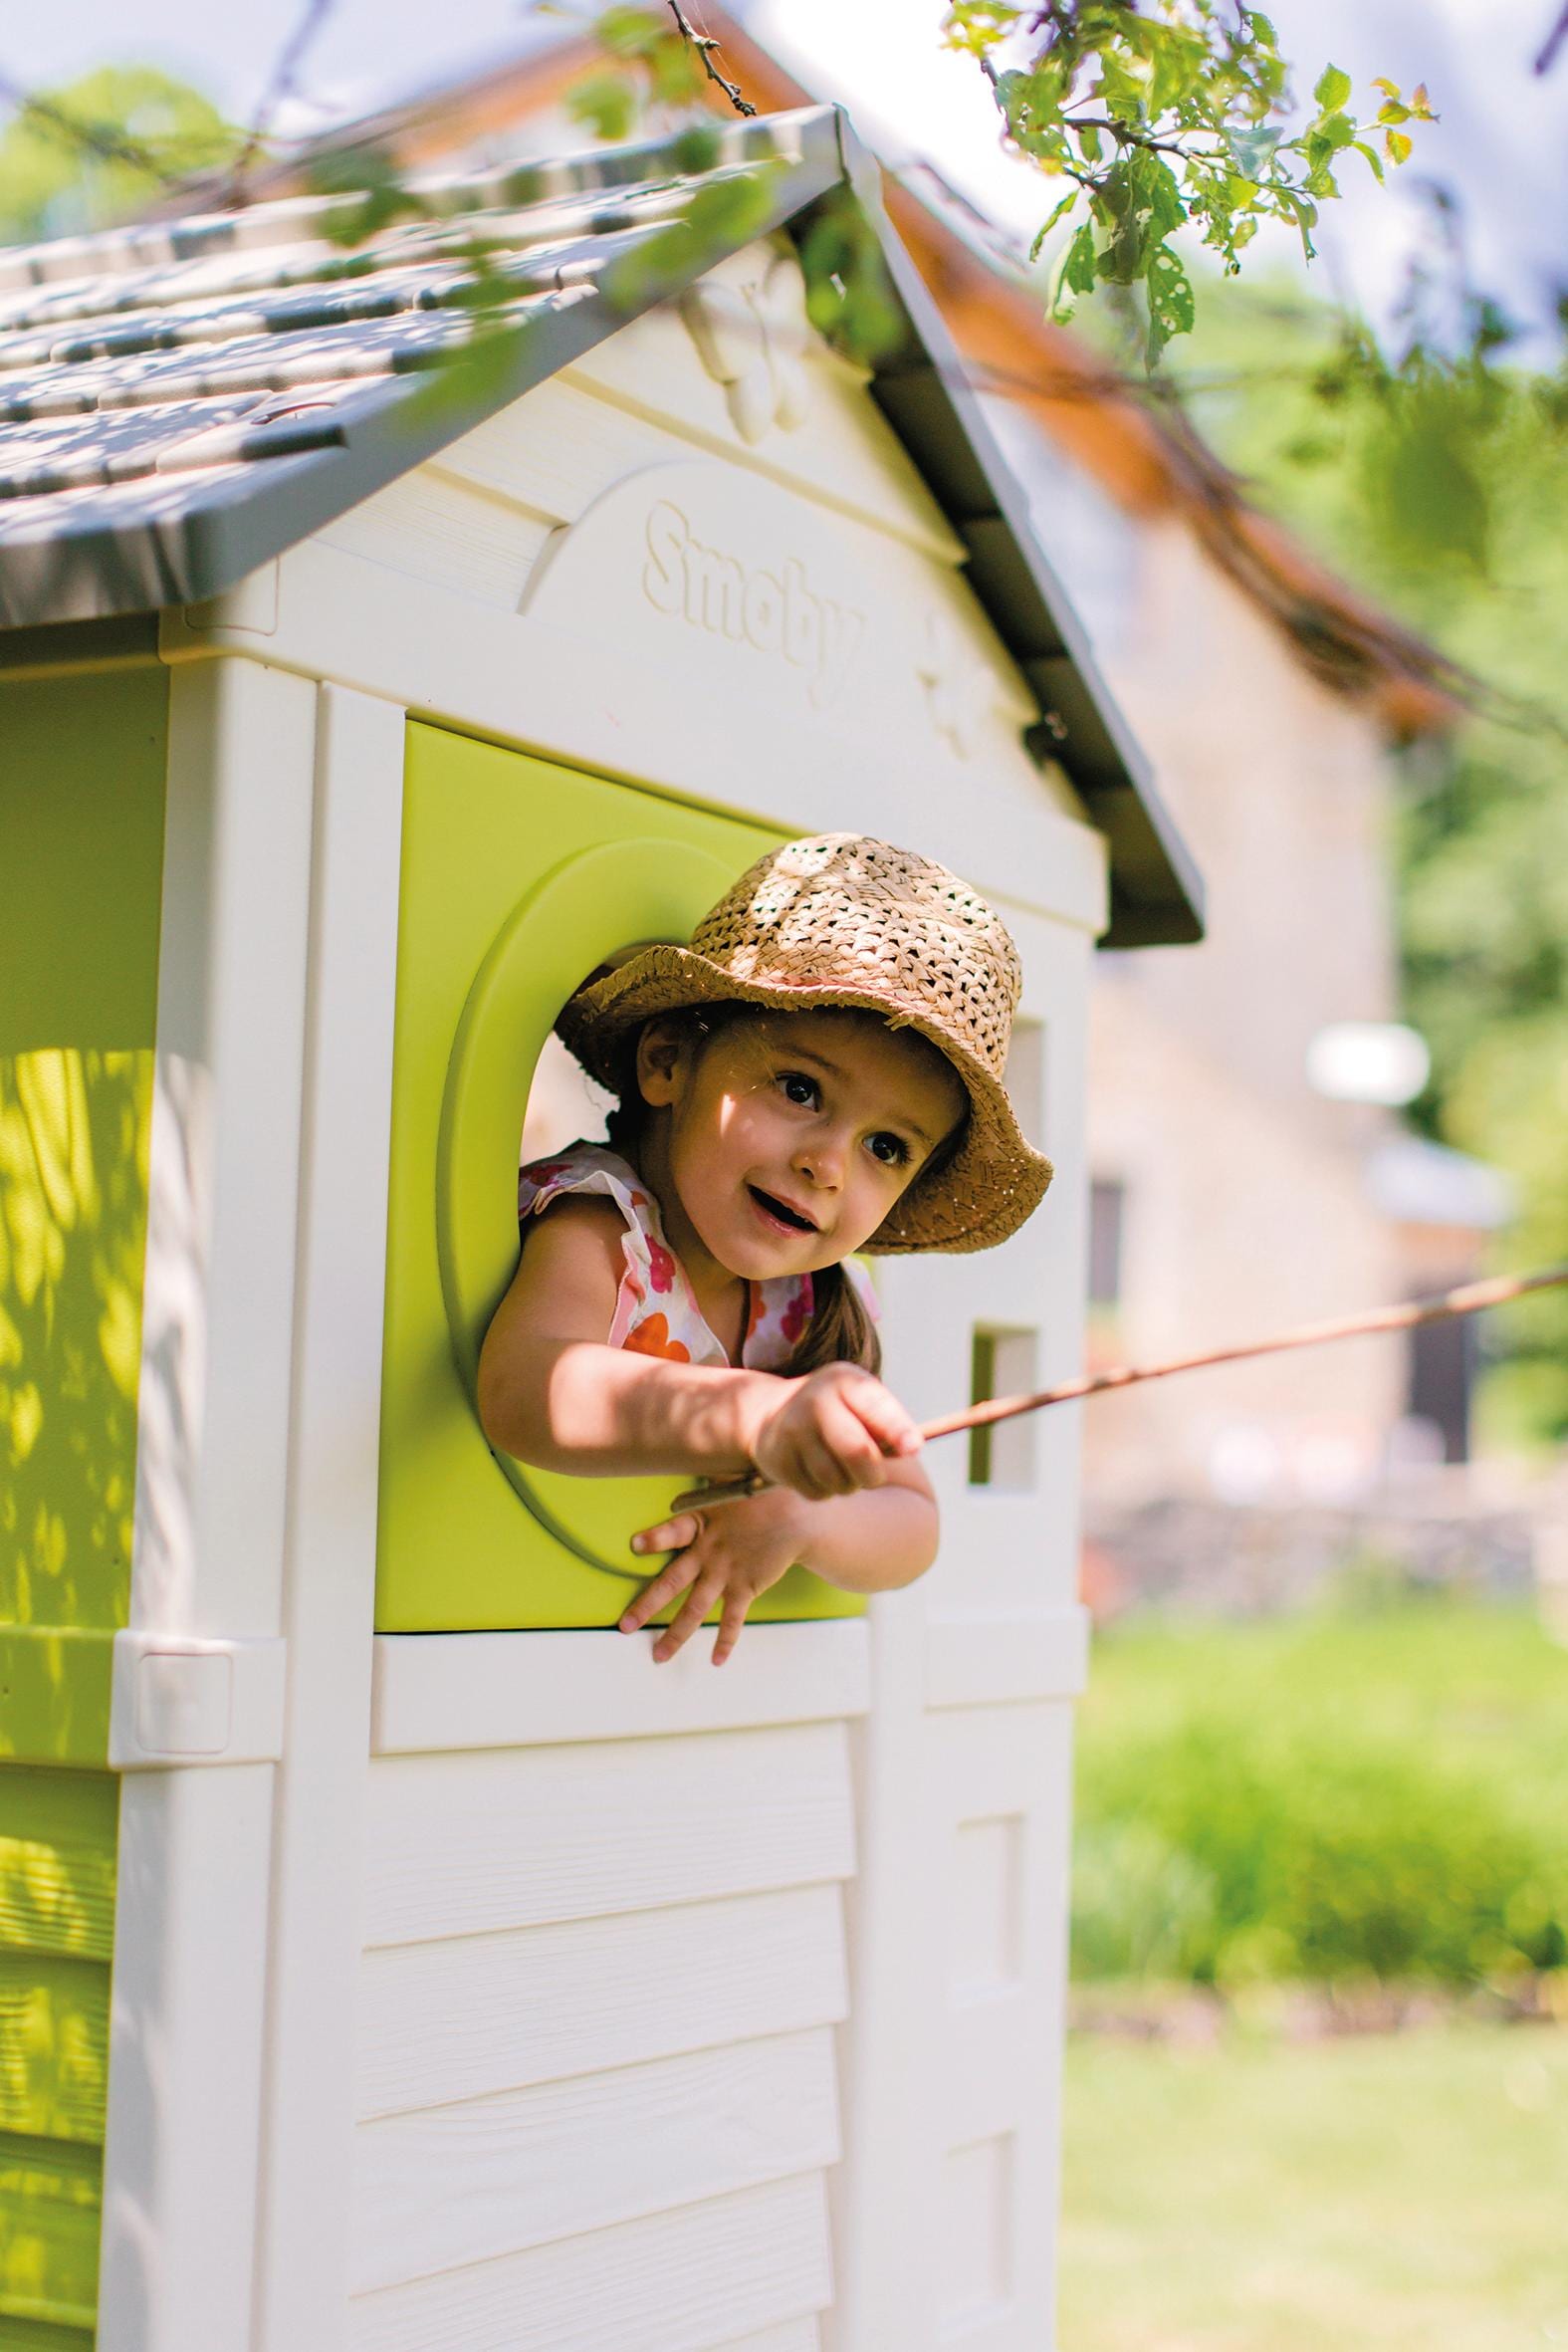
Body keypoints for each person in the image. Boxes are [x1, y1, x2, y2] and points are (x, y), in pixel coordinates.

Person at [478, 832, 1052, 1665]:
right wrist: (759, 1418)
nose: (827, 1164)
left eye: (886, 1148)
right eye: (799, 1090)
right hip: (513, 1655)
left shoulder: (811, 1306)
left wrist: (803, 1519)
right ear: (669, 1061)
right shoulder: (600, 1225)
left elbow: (913, 1525)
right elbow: (526, 1388)